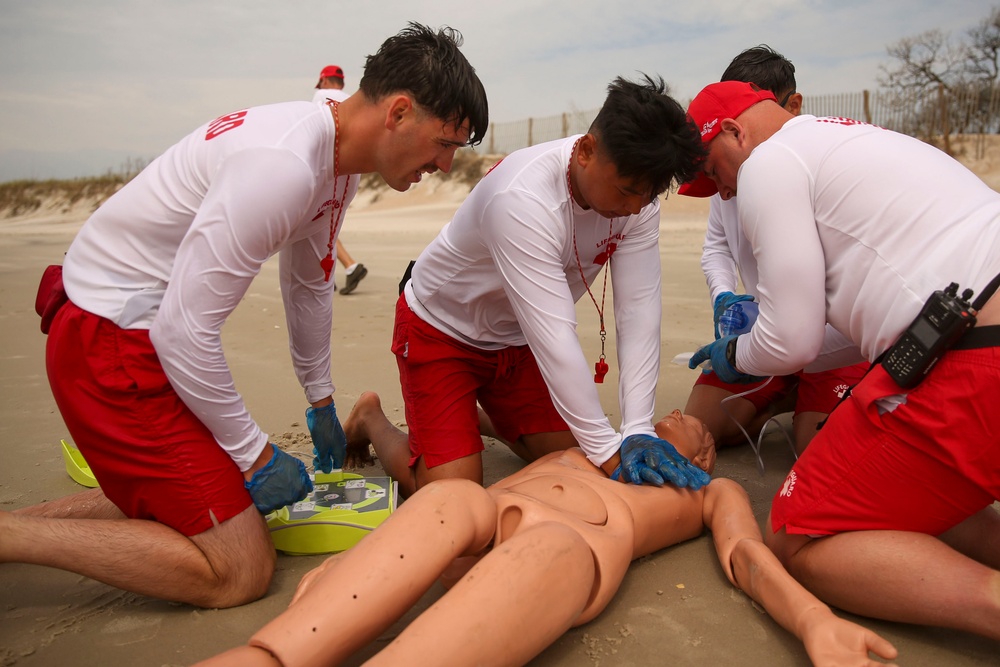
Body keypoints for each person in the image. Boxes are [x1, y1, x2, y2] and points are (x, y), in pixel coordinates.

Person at [0, 23, 488, 609]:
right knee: (240, 567)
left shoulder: (339, 161)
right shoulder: (282, 164)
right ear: (400, 112)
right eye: (444, 143)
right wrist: (255, 454)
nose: (443, 164)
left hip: (135, 332)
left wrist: (320, 401)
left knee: (207, 481)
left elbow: (308, 283)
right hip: (108, 339)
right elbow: (184, 332)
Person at [193, 410, 898, 667]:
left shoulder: (709, 488)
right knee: (449, 495)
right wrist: (355, 559)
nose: (677, 416)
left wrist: (814, 619)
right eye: (665, 410)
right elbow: (482, 425)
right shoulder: (594, 440)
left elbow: (745, 556)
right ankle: (268, 657)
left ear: (705, 455)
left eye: (691, 425)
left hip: (566, 557)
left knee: (554, 544)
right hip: (468, 532)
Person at [681, 80, 1000, 639]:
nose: (724, 192)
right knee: (896, 489)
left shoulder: (768, 164)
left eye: (716, 170)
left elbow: (793, 340)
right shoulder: (849, 139)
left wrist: (737, 354)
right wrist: (762, 353)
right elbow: (851, 336)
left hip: (972, 358)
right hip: (968, 320)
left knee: (797, 534)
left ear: (734, 131)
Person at [344, 75, 710, 498]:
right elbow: (555, 336)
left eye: (645, 198)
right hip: (442, 331)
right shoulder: (523, 199)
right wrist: (612, 456)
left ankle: (473, 417)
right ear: (587, 151)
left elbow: (639, 312)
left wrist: (639, 429)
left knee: (572, 457)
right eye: (626, 192)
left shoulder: (638, 199)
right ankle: (370, 418)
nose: (631, 209)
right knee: (452, 493)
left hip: (514, 342)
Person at [680, 45, 868, 456]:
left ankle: (808, 397)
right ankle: (785, 396)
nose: (724, 189)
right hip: (764, 331)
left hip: (836, 340)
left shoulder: (821, 163)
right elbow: (715, 248)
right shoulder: (730, 170)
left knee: (821, 453)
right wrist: (724, 297)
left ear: (790, 105)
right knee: (698, 429)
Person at [313, 64, 368, 295]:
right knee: (328, 224)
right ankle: (342, 268)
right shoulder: (350, 98)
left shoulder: (319, 96)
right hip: (350, 169)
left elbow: (317, 130)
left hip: (327, 165)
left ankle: (335, 271)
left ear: (324, 81)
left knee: (317, 224)